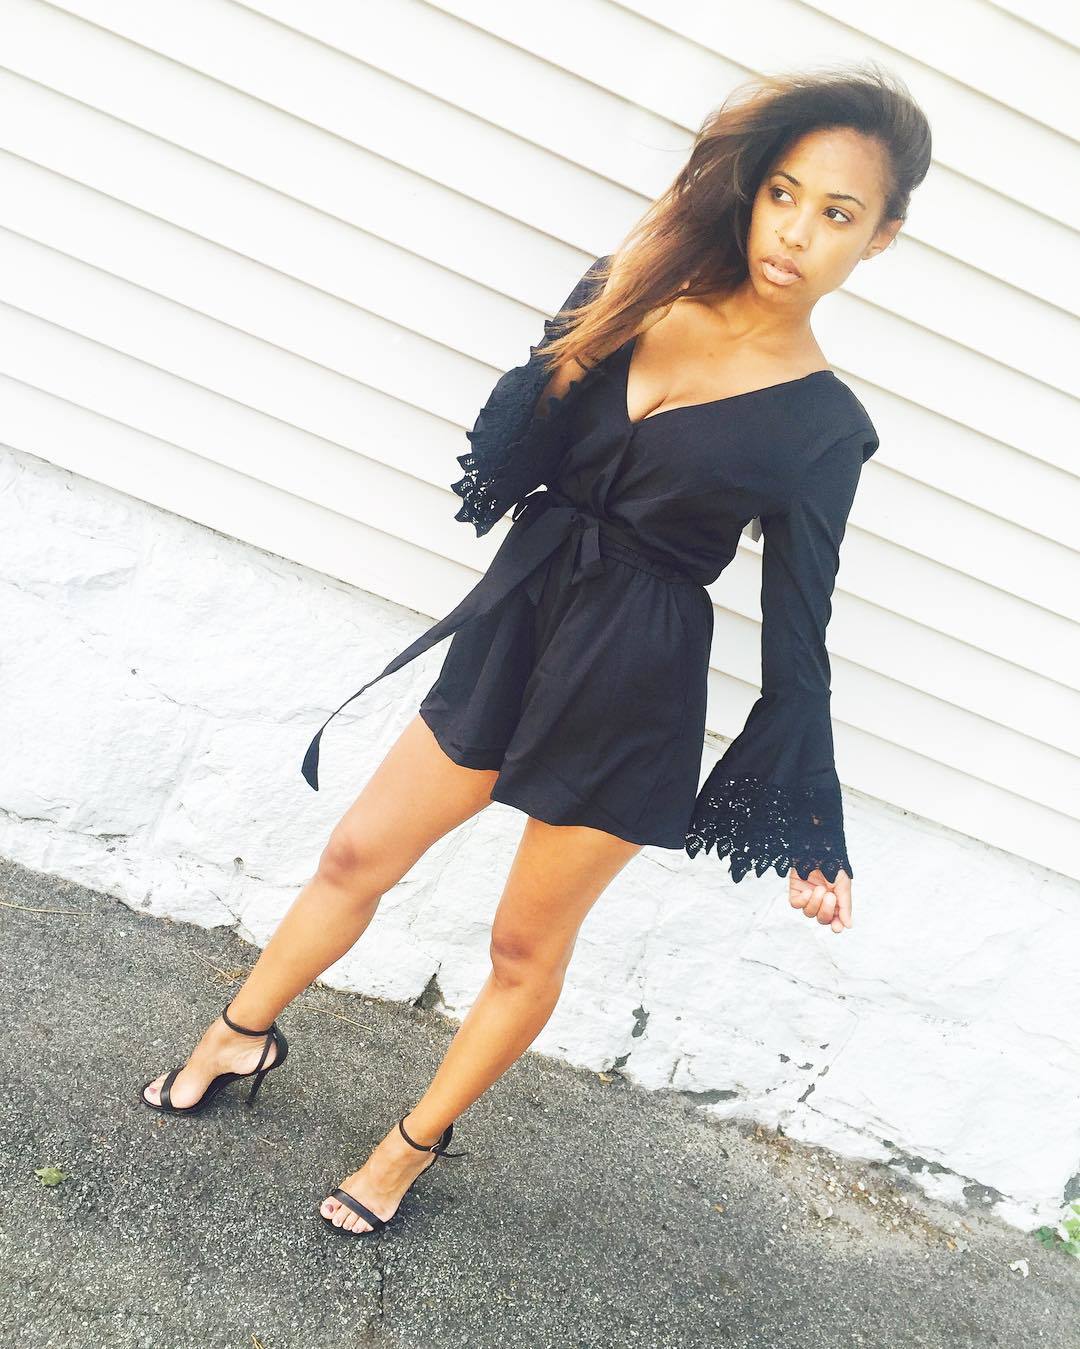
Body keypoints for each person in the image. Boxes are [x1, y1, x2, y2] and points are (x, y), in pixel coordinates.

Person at [140, 65, 930, 1237]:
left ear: (881, 237)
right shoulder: (631, 286)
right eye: (781, 193)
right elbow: (512, 448)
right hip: (524, 613)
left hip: (636, 673)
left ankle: (410, 1146)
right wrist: (635, 275)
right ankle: (237, 1033)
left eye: (837, 213)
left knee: (522, 942)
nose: (796, 232)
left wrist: (811, 819)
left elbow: (799, 628)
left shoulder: (826, 428)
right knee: (359, 851)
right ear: (748, 189)